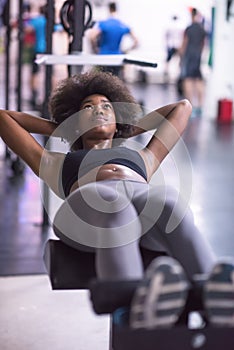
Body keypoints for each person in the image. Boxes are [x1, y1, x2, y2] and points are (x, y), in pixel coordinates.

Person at [0, 69, 233, 329]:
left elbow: (182, 107)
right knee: (115, 206)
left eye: (107, 107)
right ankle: (130, 307)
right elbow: (4, 118)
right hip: (88, 211)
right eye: (88, 107)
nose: (99, 110)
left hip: (140, 203)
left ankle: (214, 297)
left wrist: (123, 129)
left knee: (169, 204)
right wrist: (67, 129)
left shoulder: (145, 157)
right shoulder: (57, 163)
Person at [88, 2, 138, 77]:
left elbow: (91, 37)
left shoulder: (103, 24)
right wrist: (125, 50)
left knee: (102, 82)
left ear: (109, 9)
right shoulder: (122, 25)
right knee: (115, 83)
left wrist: (95, 49)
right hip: (117, 59)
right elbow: (136, 41)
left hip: (103, 57)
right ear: (116, 9)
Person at [178, 8, 207, 117]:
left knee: (188, 79)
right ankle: (200, 106)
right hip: (197, 56)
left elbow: (184, 44)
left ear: (191, 15)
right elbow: (203, 44)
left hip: (189, 56)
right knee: (198, 80)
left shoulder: (189, 29)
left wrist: (181, 57)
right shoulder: (202, 29)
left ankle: (190, 107)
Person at [24, 4, 47, 109]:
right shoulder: (49, 21)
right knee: (48, 73)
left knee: (34, 73)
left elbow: (27, 29)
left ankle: (34, 96)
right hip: (47, 50)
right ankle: (47, 95)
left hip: (37, 50)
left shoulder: (37, 20)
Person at [163, 15, 184, 84]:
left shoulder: (169, 26)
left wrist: (167, 45)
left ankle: (166, 73)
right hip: (178, 45)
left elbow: (166, 36)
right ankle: (179, 75)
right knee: (179, 61)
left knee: (168, 61)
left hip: (171, 45)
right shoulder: (181, 26)